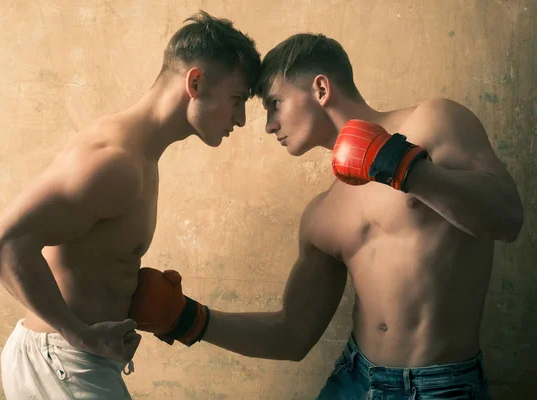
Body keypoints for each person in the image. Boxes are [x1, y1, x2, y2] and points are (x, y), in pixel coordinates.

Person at [131, 33, 524, 399]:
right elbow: (291, 335)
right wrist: (187, 319)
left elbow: (508, 218)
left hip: (444, 386)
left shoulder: (434, 122)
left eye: (274, 104)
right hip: (354, 378)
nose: (269, 126)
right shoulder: (322, 214)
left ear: (320, 89)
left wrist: (405, 168)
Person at [0, 11, 260, 399]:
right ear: (195, 82)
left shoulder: (141, 156)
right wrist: (80, 335)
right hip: (60, 362)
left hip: (70, 360)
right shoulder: (116, 162)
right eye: (237, 100)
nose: (241, 119)